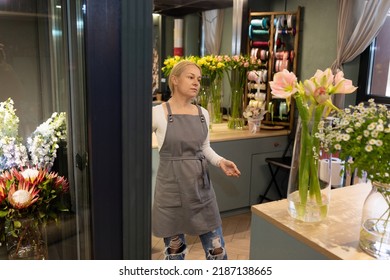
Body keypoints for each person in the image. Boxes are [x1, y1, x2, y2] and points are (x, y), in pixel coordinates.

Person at [152, 60, 241, 260]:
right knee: (175, 257)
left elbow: (204, 148)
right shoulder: (158, 113)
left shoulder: (203, 113)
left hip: (201, 193)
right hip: (170, 195)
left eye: (199, 79)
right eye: (190, 77)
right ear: (174, 80)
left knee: (218, 254)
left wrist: (220, 162)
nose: (196, 83)